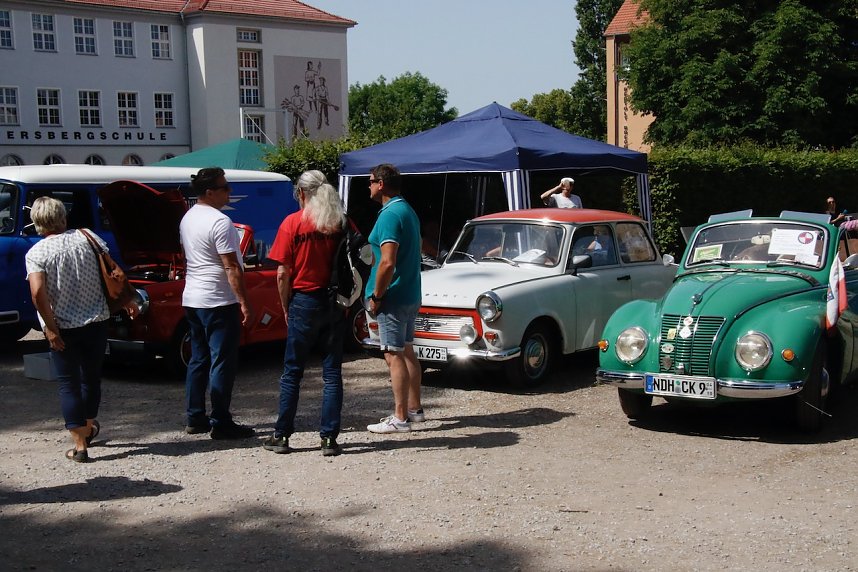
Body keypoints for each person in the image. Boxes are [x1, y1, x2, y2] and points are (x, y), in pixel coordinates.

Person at [25, 197, 137, 462]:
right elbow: (113, 272)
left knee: (68, 384)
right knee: (91, 378)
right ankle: (87, 427)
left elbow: (38, 292)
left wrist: (50, 328)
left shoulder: (37, 253)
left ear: (38, 222)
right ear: (62, 217)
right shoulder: (89, 237)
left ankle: (80, 445)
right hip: (97, 320)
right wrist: (128, 300)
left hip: (62, 326)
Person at [262, 170, 347, 456]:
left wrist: (285, 305)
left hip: (303, 301)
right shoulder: (340, 222)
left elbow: (282, 273)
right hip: (335, 302)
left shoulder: (293, 223)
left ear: (301, 193)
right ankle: (328, 439)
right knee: (332, 373)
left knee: (292, 372)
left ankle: (282, 435)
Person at [180, 167, 255, 440]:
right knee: (222, 361)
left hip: (193, 296)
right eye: (225, 187)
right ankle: (221, 420)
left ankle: (195, 416)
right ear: (210, 192)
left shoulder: (188, 217)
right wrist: (244, 301)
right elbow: (231, 266)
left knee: (198, 359)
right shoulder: (220, 222)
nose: (229, 191)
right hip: (217, 299)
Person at [365, 164, 424, 434]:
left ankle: (400, 417)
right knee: (407, 350)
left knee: (393, 354)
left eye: (370, 182)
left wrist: (377, 295)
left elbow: (387, 262)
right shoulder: (407, 209)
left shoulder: (390, 215)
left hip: (394, 295)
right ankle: (414, 410)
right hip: (410, 292)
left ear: (381, 184)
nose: (368, 186)